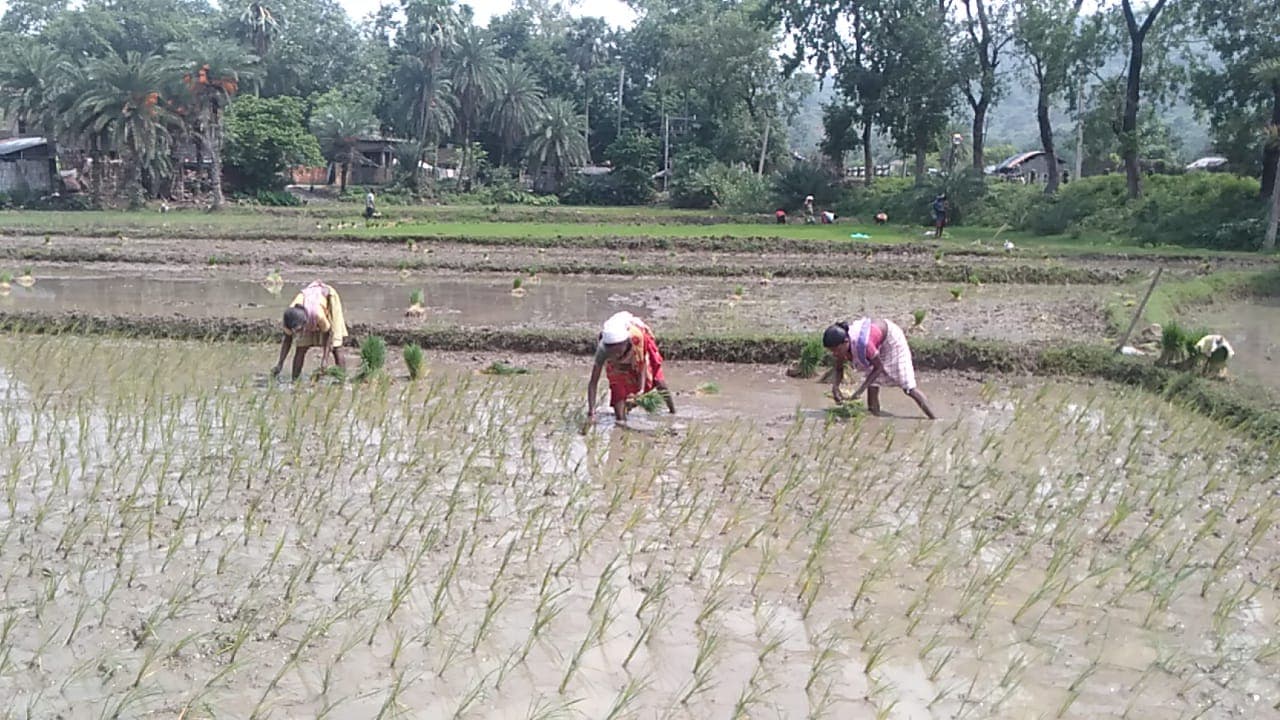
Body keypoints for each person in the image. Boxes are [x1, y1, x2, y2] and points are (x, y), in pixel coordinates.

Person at [822, 318, 936, 419]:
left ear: (846, 342)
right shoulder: (841, 349)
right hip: (875, 344)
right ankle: (875, 419)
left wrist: (859, 392)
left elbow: (878, 368)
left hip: (891, 340)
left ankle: (934, 418)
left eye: (836, 350)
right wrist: (835, 387)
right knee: (873, 385)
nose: (835, 354)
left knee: (907, 386)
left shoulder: (863, 344)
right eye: (832, 351)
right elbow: (839, 369)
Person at [586, 311, 676, 424]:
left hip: (637, 356)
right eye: (612, 353)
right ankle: (621, 422)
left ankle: (673, 412)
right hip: (616, 367)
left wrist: (641, 391)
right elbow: (593, 382)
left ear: (626, 343)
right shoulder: (603, 350)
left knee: (658, 380)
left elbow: (642, 367)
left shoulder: (636, 339)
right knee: (618, 390)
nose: (616, 355)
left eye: (618, 351)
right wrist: (591, 412)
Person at [272, 280, 348, 380]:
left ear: (305, 323)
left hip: (328, 300)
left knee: (336, 346)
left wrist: (324, 360)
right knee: (301, 347)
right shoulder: (289, 317)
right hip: (306, 311)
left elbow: (329, 334)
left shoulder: (318, 315)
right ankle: (295, 381)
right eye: (296, 331)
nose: (297, 334)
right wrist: (280, 364)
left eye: (299, 330)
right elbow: (287, 340)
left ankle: (342, 380)